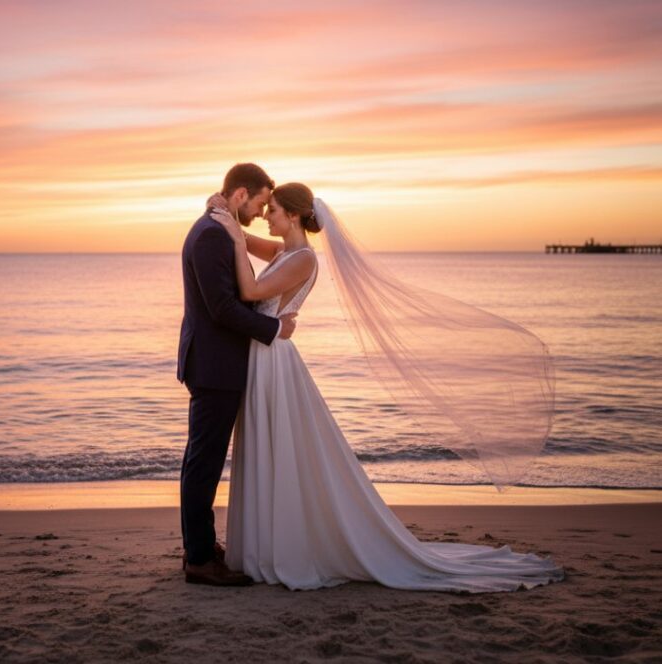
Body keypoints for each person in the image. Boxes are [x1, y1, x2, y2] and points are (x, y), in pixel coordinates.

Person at [207, 182, 565, 592]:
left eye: (272, 210)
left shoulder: (303, 259)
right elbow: (250, 243)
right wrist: (229, 217)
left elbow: (251, 291)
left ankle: (283, 547)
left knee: (281, 450)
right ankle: (263, 546)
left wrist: (234, 237)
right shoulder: (285, 251)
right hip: (265, 355)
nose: (266, 216)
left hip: (273, 363)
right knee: (267, 448)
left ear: (291, 215)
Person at [177, 163, 298, 586]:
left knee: (202, 458)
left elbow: (277, 253)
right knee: (204, 462)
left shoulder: (219, 226)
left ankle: (201, 546)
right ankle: (198, 559)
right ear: (242, 194)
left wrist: (236, 228)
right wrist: (274, 329)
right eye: (262, 202)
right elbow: (222, 308)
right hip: (214, 364)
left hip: (216, 362)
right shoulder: (211, 234)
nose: (263, 210)